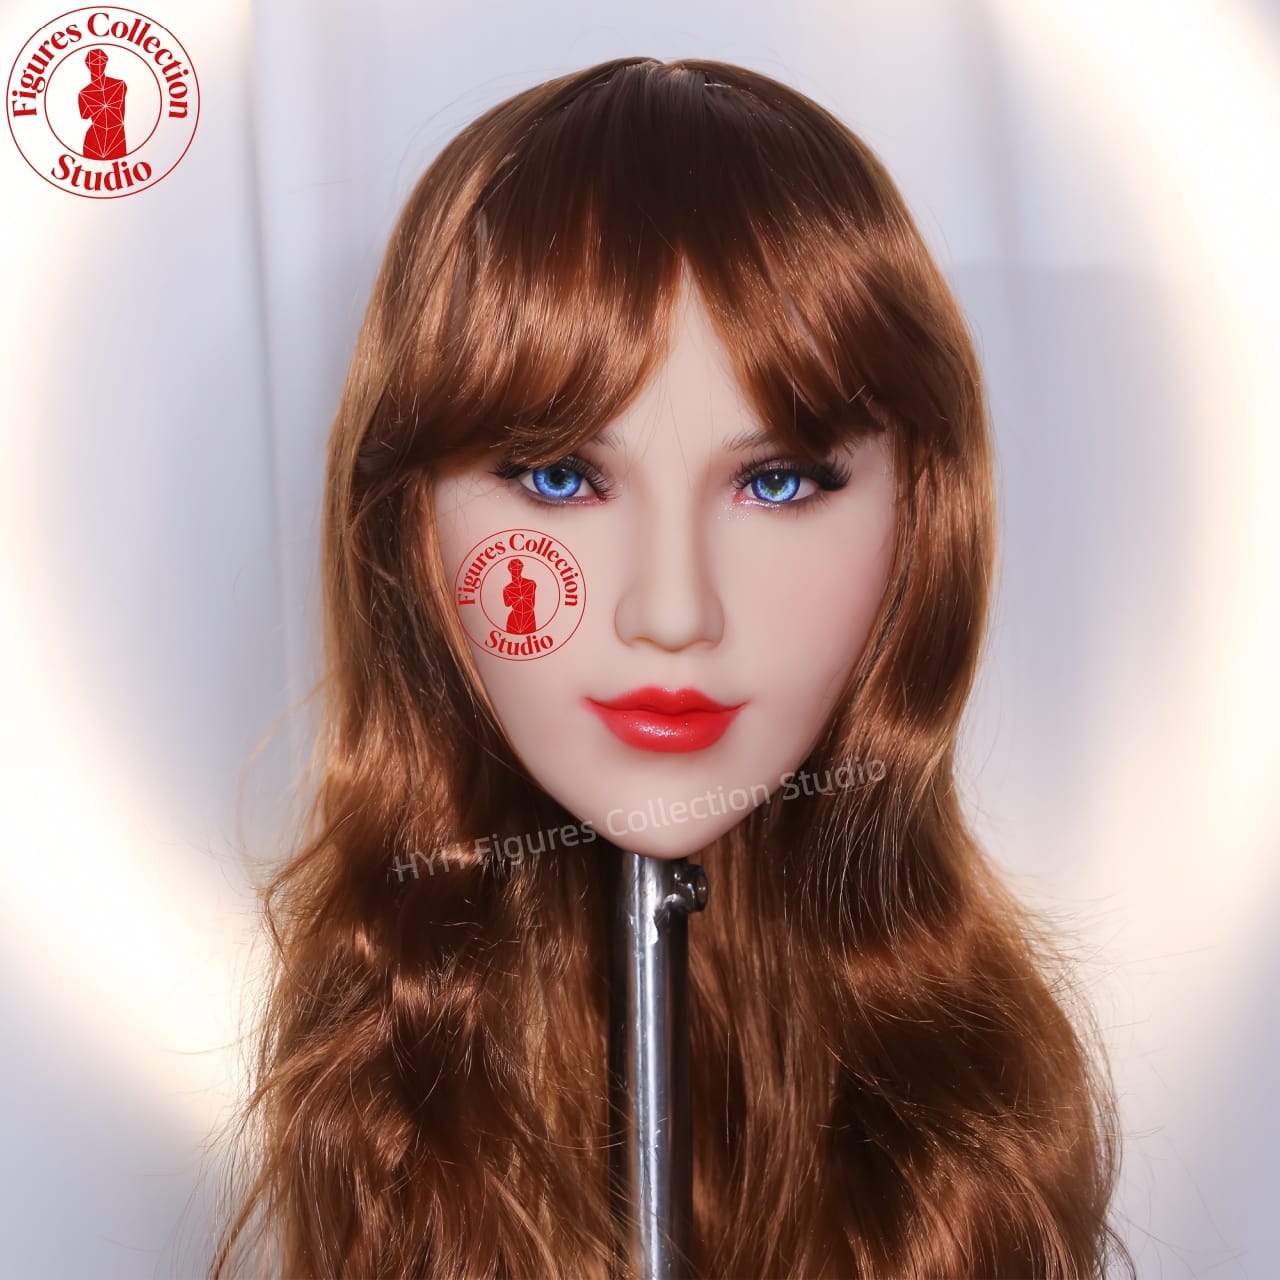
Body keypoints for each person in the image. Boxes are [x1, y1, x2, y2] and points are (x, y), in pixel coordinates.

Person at [208, 56, 1134, 1278]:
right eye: (558, 476)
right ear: (408, 525)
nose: (671, 611)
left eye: (778, 480)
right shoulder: (377, 1101)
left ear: (923, 512)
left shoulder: (977, 1129)